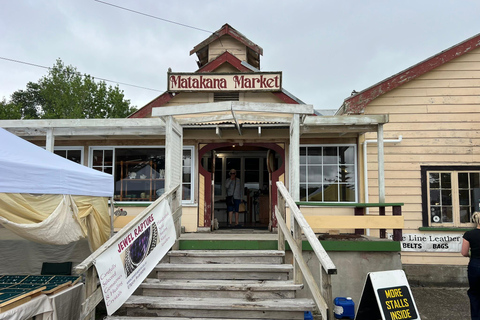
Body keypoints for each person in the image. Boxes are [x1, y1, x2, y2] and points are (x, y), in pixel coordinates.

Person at [462, 211, 480, 320]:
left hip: (475, 265)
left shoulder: (469, 234)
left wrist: (471, 255)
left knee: (475, 294)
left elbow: (464, 252)